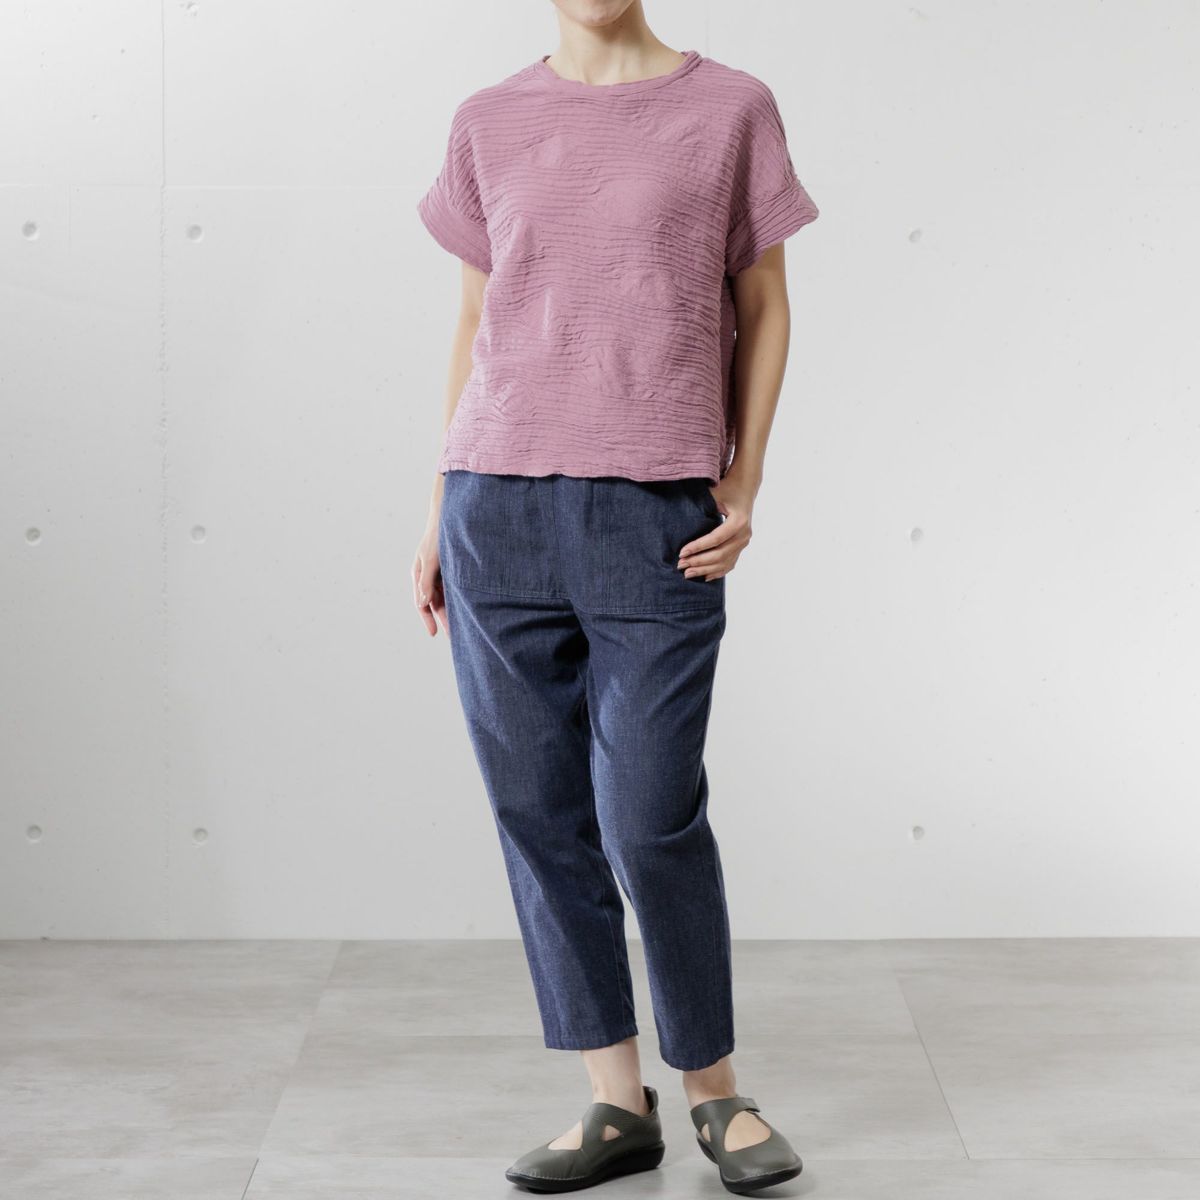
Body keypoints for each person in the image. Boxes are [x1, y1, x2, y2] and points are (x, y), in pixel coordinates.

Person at [413, 2, 819, 1192]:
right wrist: (437, 506)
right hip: (497, 509)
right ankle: (611, 1098)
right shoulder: (486, 119)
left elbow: (765, 305)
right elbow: (475, 318)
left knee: (650, 814)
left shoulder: (729, 108)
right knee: (539, 814)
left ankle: (716, 1092)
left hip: (656, 518)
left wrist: (744, 477)